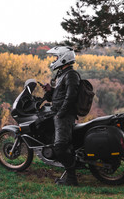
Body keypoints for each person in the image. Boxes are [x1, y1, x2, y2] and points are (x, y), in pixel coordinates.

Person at [42, 46, 80, 186]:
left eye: (57, 57)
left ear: (64, 58)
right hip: (59, 112)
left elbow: (70, 97)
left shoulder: (71, 75)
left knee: (60, 147)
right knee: (58, 143)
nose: (55, 60)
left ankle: (71, 179)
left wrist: (60, 114)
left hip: (64, 115)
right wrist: (50, 90)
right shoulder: (62, 74)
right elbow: (61, 95)